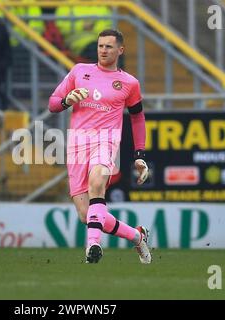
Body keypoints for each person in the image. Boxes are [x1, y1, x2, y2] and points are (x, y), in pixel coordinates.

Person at [48, 29, 152, 264]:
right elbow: (53, 104)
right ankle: (137, 236)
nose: (103, 50)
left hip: (105, 143)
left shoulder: (129, 83)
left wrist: (139, 154)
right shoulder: (79, 71)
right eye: (100, 46)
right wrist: (67, 100)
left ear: (120, 50)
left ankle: (92, 246)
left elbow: (137, 118)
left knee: (97, 183)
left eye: (108, 46)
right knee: (87, 215)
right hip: (77, 145)